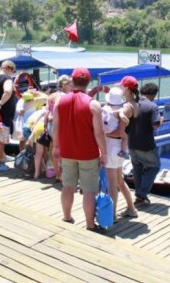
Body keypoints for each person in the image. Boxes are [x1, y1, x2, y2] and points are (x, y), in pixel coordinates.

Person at [52, 67, 107, 232]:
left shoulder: (60, 102)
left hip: (67, 151)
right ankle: (90, 225)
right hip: (88, 153)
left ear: (72, 81)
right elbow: (99, 133)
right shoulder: (94, 104)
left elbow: (55, 127)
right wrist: (104, 153)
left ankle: (67, 217)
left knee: (67, 186)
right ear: (88, 82)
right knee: (89, 190)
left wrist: (55, 147)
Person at [124, 80, 163, 206]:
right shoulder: (152, 106)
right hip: (146, 144)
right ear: (153, 95)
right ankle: (141, 194)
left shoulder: (130, 104)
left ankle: (139, 196)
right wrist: (161, 120)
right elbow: (155, 124)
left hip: (132, 143)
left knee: (137, 168)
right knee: (154, 166)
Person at [103, 86, 138, 219]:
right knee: (119, 180)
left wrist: (107, 133)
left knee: (112, 183)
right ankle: (131, 208)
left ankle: (112, 214)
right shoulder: (123, 110)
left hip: (110, 146)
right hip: (121, 148)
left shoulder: (105, 110)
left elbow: (103, 130)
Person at [44, 74, 72, 181]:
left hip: (51, 126)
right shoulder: (64, 96)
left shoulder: (51, 96)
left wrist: (45, 125)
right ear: (64, 85)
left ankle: (57, 175)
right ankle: (64, 175)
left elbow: (46, 112)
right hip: (61, 126)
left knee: (54, 150)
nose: (71, 86)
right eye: (70, 84)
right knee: (64, 150)